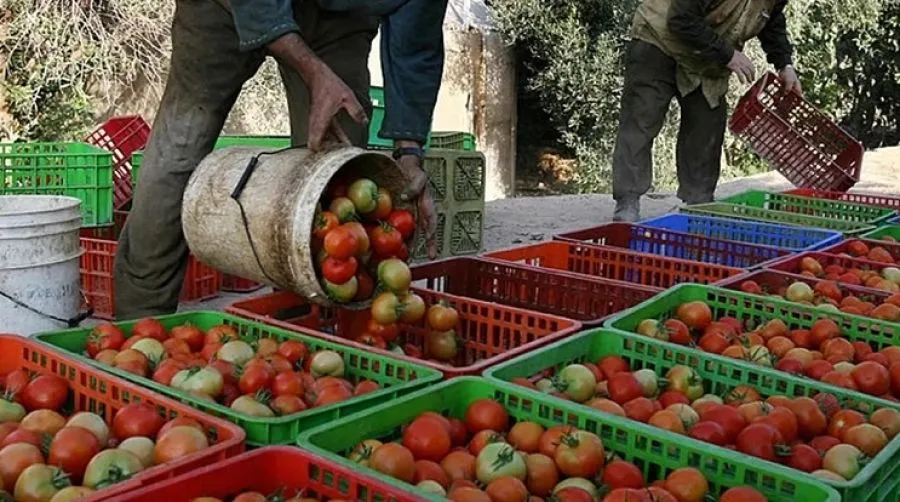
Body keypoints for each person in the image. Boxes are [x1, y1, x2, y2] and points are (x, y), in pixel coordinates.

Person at [114, 0, 446, 320]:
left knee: (335, 174)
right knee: (178, 151)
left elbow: (417, 45)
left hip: (338, 22)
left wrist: (410, 153)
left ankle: (300, 333)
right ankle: (139, 323)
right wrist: (313, 71)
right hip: (221, 10)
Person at [611, 0, 802, 222]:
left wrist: (784, 65)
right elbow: (680, 19)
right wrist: (729, 55)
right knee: (641, 119)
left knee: (707, 125)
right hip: (659, 38)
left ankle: (698, 202)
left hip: (704, 54)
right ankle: (627, 199)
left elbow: (771, 20)